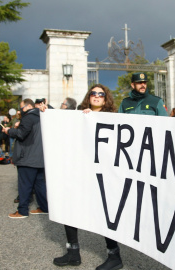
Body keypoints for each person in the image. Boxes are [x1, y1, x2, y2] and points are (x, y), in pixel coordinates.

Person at [94, 73, 168, 270]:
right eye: (139, 82)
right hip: (129, 159)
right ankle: (120, 244)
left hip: (150, 158)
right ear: (133, 84)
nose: (143, 85)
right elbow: (117, 126)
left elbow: (169, 127)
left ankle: (158, 241)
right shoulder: (125, 103)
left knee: (151, 199)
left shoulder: (156, 101)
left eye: (145, 82)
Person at [52, 84, 116, 267]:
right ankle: (73, 253)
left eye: (100, 94)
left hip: (102, 172)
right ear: (89, 96)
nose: (96, 96)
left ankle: (114, 255)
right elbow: (58, 125)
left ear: (105, 98)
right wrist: (44, 110)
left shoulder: (113, 117)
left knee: (105, 213)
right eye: (93, 93)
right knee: (69, 209)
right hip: (80, 169)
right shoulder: (78, 115)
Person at [3, 98, 48, 218]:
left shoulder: (28, 117)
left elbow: (21, 134)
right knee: (39, 184)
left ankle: (22, 211)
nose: (20, 110)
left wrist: (9, 131)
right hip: (39, 156)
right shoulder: (42, 115)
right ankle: (44, 207)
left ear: (28, 107)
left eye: (22, 107)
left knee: (25, 185)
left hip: (27, 156)